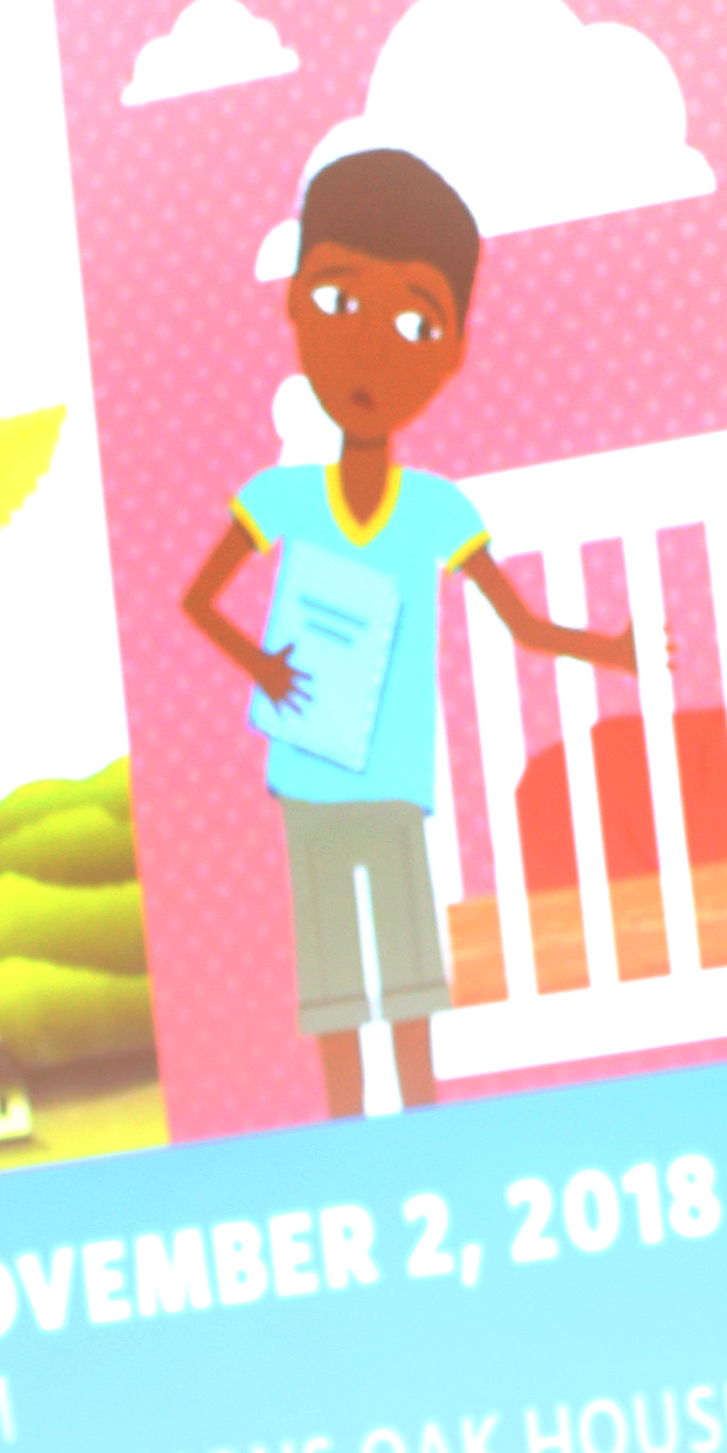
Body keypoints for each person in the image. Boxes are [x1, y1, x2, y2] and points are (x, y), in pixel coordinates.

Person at [180, 150, 642, 1119]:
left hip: (393, 780)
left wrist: (607, 650)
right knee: (333, 981)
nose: (371, 351)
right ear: (294, 303)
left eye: (413, 324)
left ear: (453, 347)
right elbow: (201, 600)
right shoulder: (282, 498)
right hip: (309, 776)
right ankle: (348, 1130)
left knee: (407, 972)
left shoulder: (435, 510)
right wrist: (262, 665)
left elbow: (517, 621)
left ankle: (423, 1122)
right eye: (338, 303)